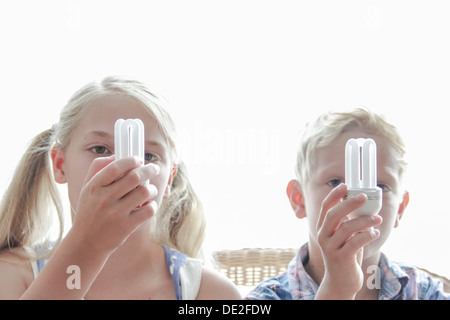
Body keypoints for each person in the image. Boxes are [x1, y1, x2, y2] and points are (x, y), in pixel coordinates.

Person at [0, 76, 241, 299]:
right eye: (100, 149)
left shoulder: (209, 292)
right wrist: (89, 244)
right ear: (60, 165)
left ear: (168, 180)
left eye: (147, 155)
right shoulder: (14, 275)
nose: (124, 168)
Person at [246, 107, 449, 300]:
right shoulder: (267, 297)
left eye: (379, 186)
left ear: (400, 208)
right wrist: (337, 289)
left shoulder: (423, 291)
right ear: (299, 199)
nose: (358, 203)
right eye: (335, 183)